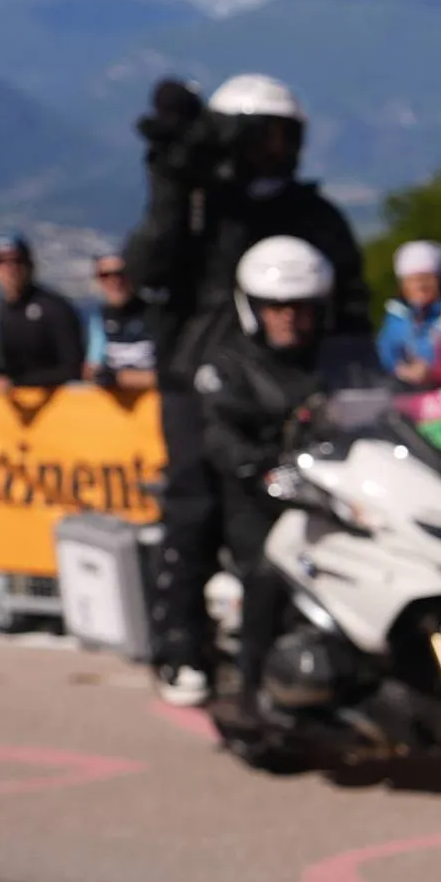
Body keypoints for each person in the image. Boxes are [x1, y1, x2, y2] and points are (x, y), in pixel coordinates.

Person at [122, 73, 368, 704]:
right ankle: (181, 644)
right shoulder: (202, 207)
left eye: (284, 136)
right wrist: (172, 185)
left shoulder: (316, 216)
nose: (272, 150)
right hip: (197, 377)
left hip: (296, 383)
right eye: (258, 136)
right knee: (194, 505)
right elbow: (147, 267)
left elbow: (353, 311)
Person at [193, 235, 344, 719]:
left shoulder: (341, 358)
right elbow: (218, 436)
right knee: (268, 574)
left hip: (337, 491)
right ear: (253, 307)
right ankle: (252, 695)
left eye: (300, 308)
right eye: (276, 307)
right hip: (260, 500)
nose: (289, 318)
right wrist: (258, 464)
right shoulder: (227, 365)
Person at [0, 235, 85, 391]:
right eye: (1, 262)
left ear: (30, 265)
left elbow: (72, 368)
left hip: (58, 404)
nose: (10, 269)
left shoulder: (54, 308)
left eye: (17, 261)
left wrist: (17, 382)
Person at [379, 240, 441, 384]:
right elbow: (387, 351)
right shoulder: (396, 316)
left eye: (427, 279)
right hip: (409, 392)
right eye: (412, 280)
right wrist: (401, 369)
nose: (420, 286)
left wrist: (428, 365)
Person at [84, 253, 158, 398]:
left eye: (120, 274)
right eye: (105, 275)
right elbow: (92, 367)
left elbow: (173, 374)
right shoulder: (100, 318)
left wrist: (122, 378)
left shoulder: (155, 315)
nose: (114, 281)